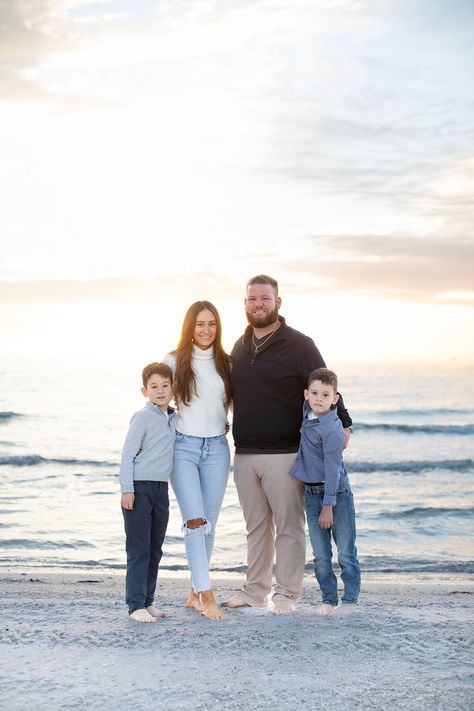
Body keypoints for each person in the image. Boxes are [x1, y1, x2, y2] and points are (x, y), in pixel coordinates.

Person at [223, 274, 352, 613]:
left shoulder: (299, 344)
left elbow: (325, 384)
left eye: (265, 298)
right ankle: (254, 592)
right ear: (245, 304)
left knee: (289, 527)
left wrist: (345, 424)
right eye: (252, 299)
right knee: (256, 528)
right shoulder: (239, 345)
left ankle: (287, 594)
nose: (258, 304)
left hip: (285, 453)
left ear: (278, 302)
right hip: (246, 453)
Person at [164, 301, 232, 621]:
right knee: (195, 523)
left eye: (212, 324)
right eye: (200, 324)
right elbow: (158, 401)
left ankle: (193, 590)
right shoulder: (175, 360)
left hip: (218, 449)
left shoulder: (227, 363)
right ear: (190, 326)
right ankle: (207, 595)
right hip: (183, 449)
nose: (207, 330)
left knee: (209, 526)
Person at [289, 367, 360, 616]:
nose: (319, 399)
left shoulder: (332, 430)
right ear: (306, 394)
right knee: (320, 555)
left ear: (335, 399)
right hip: (311, 493)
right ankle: (328, 599)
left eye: (326, 395)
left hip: (335, 494)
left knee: (346, 552)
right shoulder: (307, 412)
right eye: (315, 393)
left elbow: (332, 470)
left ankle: (350, 601)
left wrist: (328, 506)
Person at [119, 362, 176, 623]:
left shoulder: (173, 417)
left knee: (155, 549)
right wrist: (127, 489)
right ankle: (135, 605)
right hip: (139, 488)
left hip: (161, 489)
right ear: (145, 391)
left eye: (165, 386)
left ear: (173, 389)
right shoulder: (142, 417)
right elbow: (128, 454)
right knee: (139, 549)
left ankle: (148, 601)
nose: (160, 391)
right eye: (154, 387)